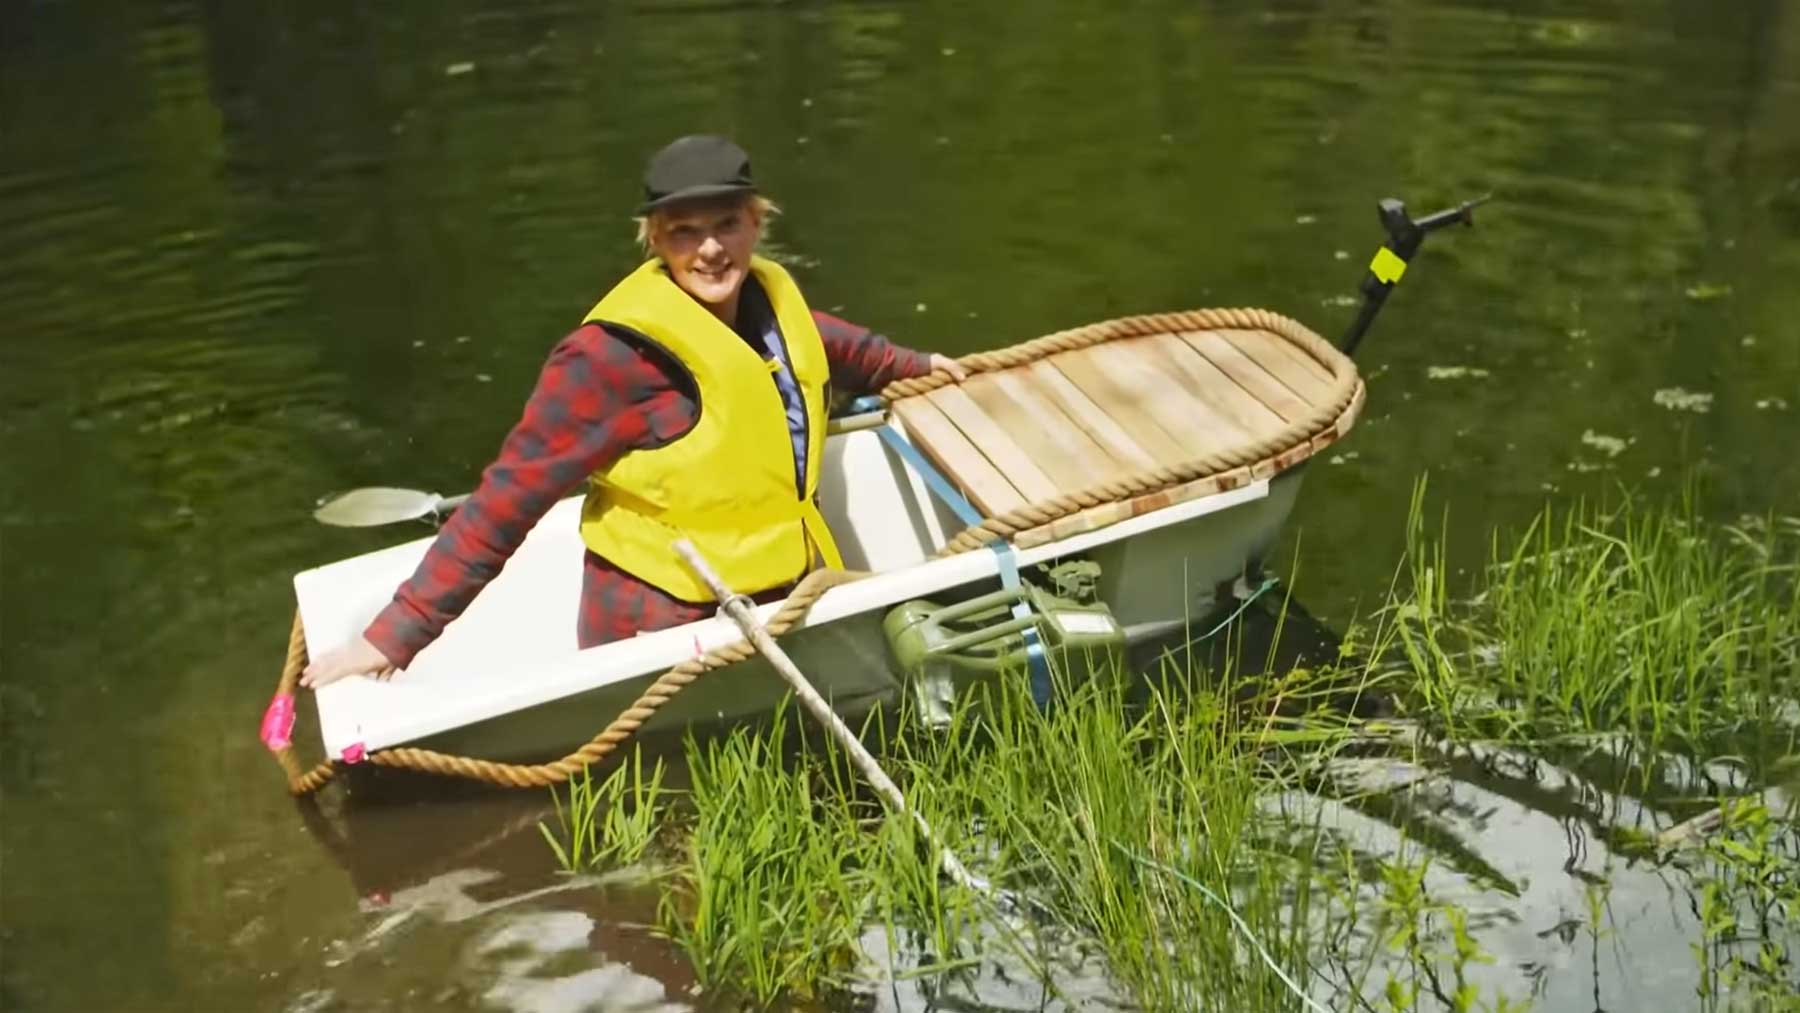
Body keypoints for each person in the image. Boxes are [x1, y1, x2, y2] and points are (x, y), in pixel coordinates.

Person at [302, 135, 965, 689]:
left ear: (757, 223)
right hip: (666, 628)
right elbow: (508, 497)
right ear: (654, 240)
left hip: (777, 593)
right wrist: (396, 634)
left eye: (727, 225)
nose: (711, 250)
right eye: (685, 232)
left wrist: (914, 365)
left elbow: (831, 346)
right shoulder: (608, 360)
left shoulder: (765, 304)